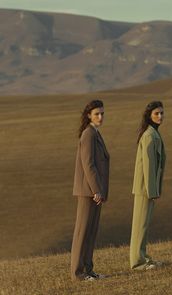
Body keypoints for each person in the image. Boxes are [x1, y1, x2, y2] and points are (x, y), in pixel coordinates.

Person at [71, 100, 110, 281]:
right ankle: (78, 273)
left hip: (95, 192)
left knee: (91, 231)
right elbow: (89, 165)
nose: (100, 117)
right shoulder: (88, 134)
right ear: (89, 115)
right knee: (82, 232)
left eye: (102, 113)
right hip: (89, 192)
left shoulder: (95, 133)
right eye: (97, 114)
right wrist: (96, 190)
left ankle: (88, 270)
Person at [130, 101, 166, 270]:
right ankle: (137, 262)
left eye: (161, 113)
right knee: (140, 225)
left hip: (148, 188)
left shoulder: (153, 133)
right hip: (145, 188)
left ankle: (143, 258)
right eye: (156, 113)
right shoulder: (149, 136)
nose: (160, 116)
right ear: (149, 115)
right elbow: (149, 165)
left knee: (144, 224)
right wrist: (153, 190)